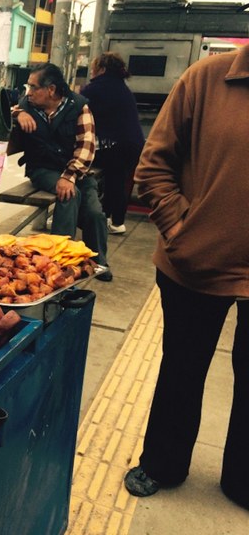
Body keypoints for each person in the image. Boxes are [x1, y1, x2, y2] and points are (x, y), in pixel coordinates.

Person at [123, 44, 249, 510]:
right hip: (194, 264)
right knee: (182, 369)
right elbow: (153, 165)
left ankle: (243, 480)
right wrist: (181, 230)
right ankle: (163, 464)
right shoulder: (207, 78)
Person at [11, 62, 110, 280]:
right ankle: (56, 263)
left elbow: (86, 146)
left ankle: (98, 262)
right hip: (42, 169)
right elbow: (7, 106)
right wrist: (18, 114)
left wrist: (70, 176)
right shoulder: (27, 104)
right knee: (69, 195)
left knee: (94, 213)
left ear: (51, 90)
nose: (29, 92)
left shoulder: (79, 106)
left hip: (76, 171)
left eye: (34, 87)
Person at [81, 52, 145, 234]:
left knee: (81, 165)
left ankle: (96, 216)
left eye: (93, 68)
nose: (91, 72)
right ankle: (113, 220)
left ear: (101, 69)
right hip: (134, 145)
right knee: (116, 181)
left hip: (116, 147)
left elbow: (76, 110)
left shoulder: (95, 88)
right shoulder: (123, 88)